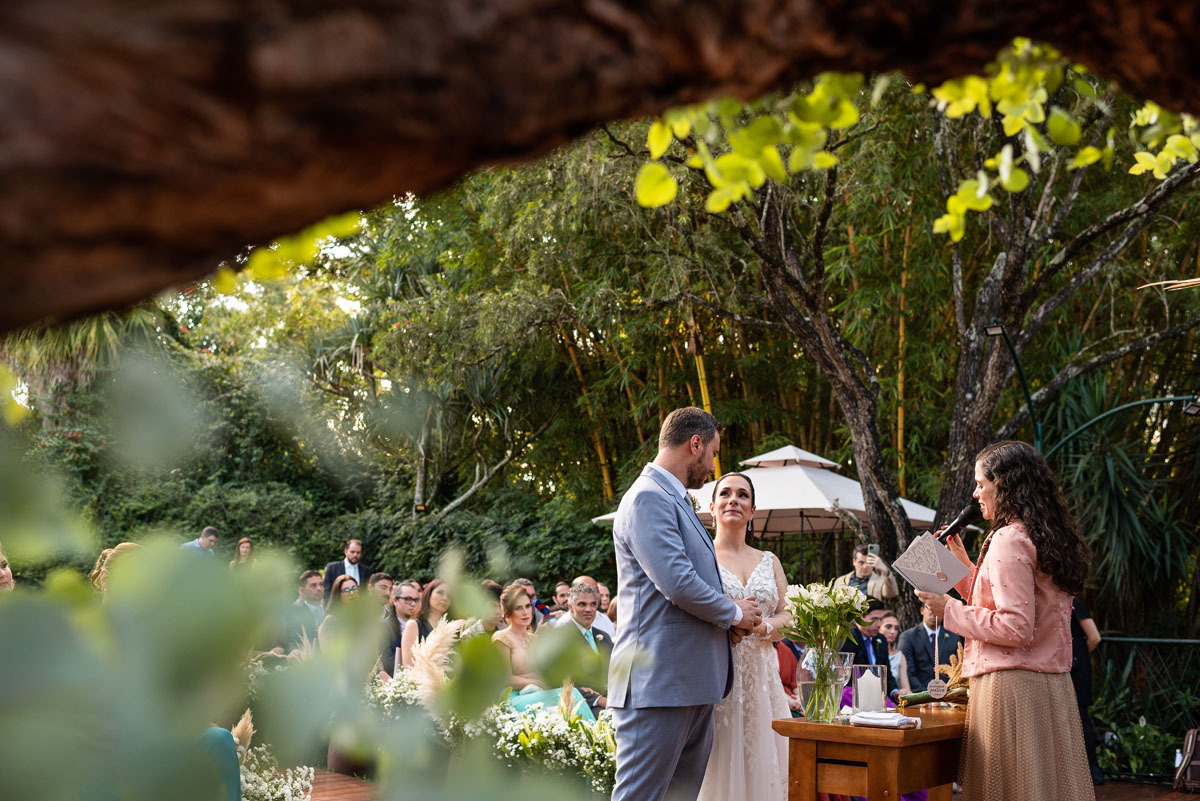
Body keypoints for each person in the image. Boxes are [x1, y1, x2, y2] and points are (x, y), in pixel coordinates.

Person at [917, 440, 1093, 801]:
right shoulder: (1041, 534)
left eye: (980, 484)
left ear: (1005, 485)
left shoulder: (1007, 540)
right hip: (1048, 686)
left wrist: (948, 610)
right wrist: (962, 567)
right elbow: (1009, 603)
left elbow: (1015, 627)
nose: (975, 493)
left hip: (1012, 687)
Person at [608, 406, 761, 801]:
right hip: (657, 684)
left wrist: (727, 625)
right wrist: (734, 613)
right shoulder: (647, 498)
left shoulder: (675, 499)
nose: (712, 467)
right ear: (695, 444)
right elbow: (677, 583)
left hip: (691, 683)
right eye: (713, 454)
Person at [698, 471, 792, 801]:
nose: (733, 500)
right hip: (718, 676)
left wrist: (761, 626)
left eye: (742, 495)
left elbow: (789, 618)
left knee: (766, 763)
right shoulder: (701, 558)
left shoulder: (769, 560)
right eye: (725, 494)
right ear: (712, 507)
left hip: (764, 681)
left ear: (752, 510)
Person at [562, 581, 612, 716]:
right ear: (570, 607)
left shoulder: (603, 636)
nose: (589, 609)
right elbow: (559, 683)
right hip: (584, 705)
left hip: (612, 699)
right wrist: (598, 700)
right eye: (582, 604)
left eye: (593, 604)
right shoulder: (561, 639)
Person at [1071, 597, 1104, 784]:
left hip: (1076, 668)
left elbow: (1094, 637)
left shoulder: (1074, 602)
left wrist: (1078, 654)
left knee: (1081, 717)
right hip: (1062, 666)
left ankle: (1093, 769)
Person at [841, 598, 899, 701]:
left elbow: (887, 674)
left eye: (880, 619)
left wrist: (894, 692)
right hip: (853, 697)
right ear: (859, 617)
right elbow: (844, 677)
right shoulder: (847, 637)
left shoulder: (881, 639)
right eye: (874, 619)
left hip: (878, 697)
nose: (879, 624)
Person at [898, 602, 964, 693]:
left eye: (938, 609)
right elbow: (908, 671)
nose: (934, 613)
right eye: (930, 608)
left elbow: (958, 668)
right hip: (919, 695)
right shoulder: (908, 637)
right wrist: (925, 696)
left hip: (948, 694)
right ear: (922, 610)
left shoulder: (954, 637)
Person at [492, 582, 543, 691]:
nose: (525, 612)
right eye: (518, 608)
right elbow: (505, 679)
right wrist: (537, 682)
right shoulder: (501, 638)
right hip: (515, 696)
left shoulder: (535, 639)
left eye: (527, 606)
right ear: (508, 612)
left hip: (541, 692)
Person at [400, 579, 450, 668]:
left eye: (449, 596)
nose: (445, 598)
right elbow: (408, 666)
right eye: (440, 593)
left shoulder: (451, 628)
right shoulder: (413, 625)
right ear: (428, 595)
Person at [551, 575, 616, 638]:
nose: (588, 609)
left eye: (595, 590)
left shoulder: (605, 621)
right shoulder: (562, 625)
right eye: (582, 604)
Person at [833, 543, 898, 602]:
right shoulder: (840, 581)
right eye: (861, 563)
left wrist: (885, 571)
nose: (865, 567)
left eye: (868, 563)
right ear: (854, 562)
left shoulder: (880, 582)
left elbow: (892, 594)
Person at [322, 539, 371, 606]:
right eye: (352, 552)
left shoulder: (366, 571)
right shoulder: (332, 568)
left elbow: (366, 592)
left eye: (358, 552)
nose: (355, 555)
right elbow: (326, 592)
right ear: (346, 552)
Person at [285, 569, 325, 650]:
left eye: (321, 584)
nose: (319, 588)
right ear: (301, 591)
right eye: (313, 585)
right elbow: (292, 640)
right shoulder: (295, 614)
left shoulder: (330, 609)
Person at [318, 574, 359, 650]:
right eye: (346, 590)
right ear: (338, 594)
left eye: (354, 588)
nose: (352, 593)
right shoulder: (331, 621)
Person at [879, 610, 912, 696]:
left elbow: (906, 688)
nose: (893, 631)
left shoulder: (900, 656)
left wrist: (904, 692)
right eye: (888, 627)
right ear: (878, 626)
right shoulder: (871, 652)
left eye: (896, 628)